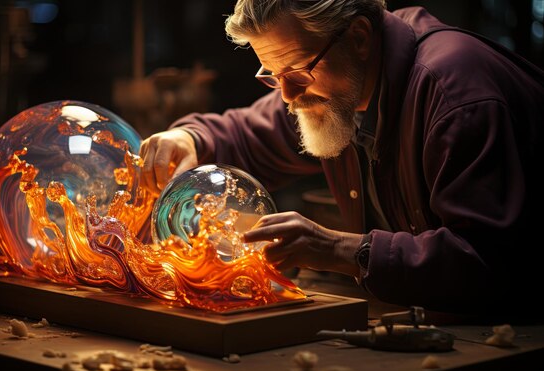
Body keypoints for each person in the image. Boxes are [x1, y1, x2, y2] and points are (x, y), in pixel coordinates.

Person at [139, 0, 544, 320]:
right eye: (271, 74)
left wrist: (336, 248)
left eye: (296, 72)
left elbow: (487, 263)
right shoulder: (337, 83)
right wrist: (190, 139)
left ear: (360, 37)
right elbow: (248, 132)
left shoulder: (456, 95)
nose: (286, 95)